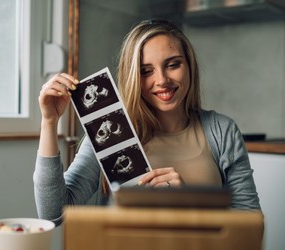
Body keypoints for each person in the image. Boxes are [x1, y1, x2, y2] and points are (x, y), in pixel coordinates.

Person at [33, 19, 261, 225]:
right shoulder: (109, 131)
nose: (162, 80)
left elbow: (251, 223)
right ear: (133, 76)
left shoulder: (222, 131)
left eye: (173, 64)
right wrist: (49, 122)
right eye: (146, 71)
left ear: (189, 66)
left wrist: (189, 204)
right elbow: (53, 213)